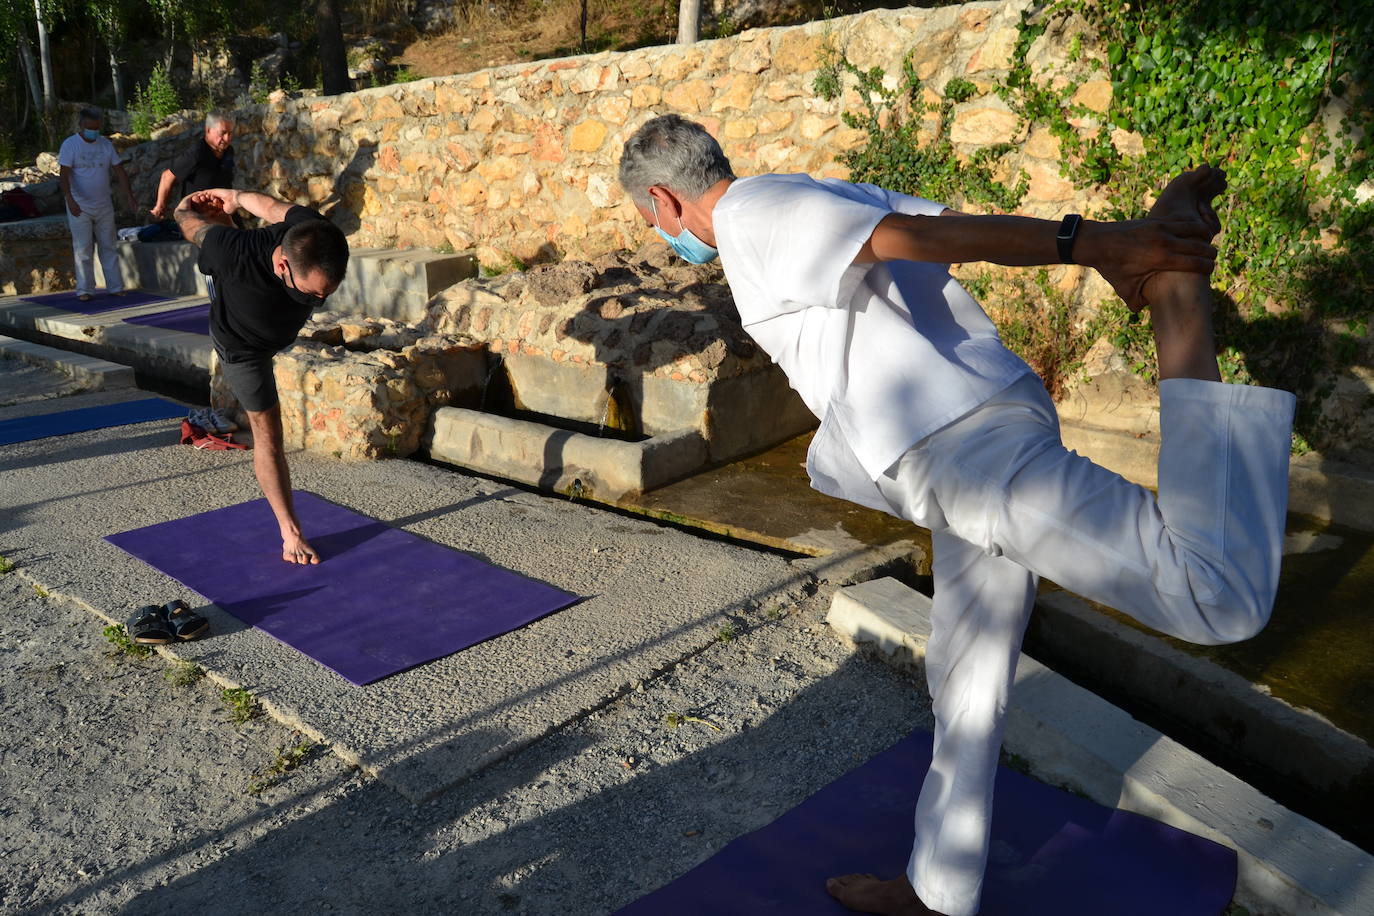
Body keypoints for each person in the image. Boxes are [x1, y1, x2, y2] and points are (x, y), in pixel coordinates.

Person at [617, 114, 1295, 916]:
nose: (664, 239)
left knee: (1214, 592)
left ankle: (1179, 304)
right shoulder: (801, 194)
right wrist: (1104, 242)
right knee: (966, 676)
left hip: (965, 457)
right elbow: (938, 228)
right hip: (979, 426)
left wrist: (1099, 244)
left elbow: (911, 237)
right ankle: (936, 890)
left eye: (651, 224)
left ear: (664, 199)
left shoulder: (752, 216)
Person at [174, 187, 350, 566]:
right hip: (241, 345)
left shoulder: (312, 231)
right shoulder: (230, 251)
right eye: (311, 294)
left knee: (233, 232)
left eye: (325, 295)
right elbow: (190, 227)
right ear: (283, 265)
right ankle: (290, 532)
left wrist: (236, 196)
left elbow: (269, 206)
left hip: (269, 316)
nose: (318, 301)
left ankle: (227, 217)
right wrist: (183, 209)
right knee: (267, 432)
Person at [58, 107, 135, 301]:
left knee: (108, 245)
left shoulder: (105, 144)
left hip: (104, 204)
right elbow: (64, 175)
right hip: (79, 205)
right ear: (81, 125)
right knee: (83, 248)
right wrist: (70, 200)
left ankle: (115, 286)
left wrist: (129, 197)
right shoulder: (70, 145)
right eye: (90, 127)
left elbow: (119, 171)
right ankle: (84, 290)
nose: (93, 131)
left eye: (96, 128)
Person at [149, 111, 236, 222]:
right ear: (208, 130)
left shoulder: (228, 151)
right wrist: (160, 207)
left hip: (223, 213)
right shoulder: (197, 152)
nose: (227, 138)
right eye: (223, 133)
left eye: (230, 133)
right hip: (199, 217)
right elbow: (167, 176)